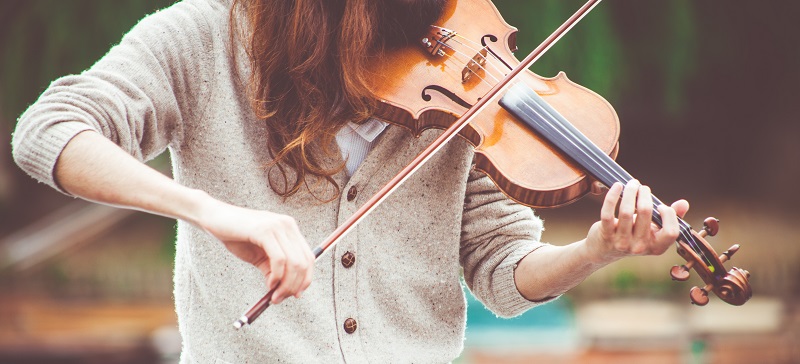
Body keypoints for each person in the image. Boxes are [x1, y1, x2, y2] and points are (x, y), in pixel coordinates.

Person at [11, 0, 688, 362]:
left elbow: (503, 270)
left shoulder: (460, 84)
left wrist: (596, 250)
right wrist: (209, 211)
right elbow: (48, 131)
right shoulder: (199, 39)